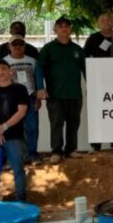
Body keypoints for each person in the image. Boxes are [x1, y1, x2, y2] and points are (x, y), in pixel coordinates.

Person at [38, 16, 86, 164]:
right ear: (55, 30)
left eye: (67, 26)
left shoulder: (77, 49)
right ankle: (56, 151)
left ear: (70, 29)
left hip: (74, 94)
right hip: (55, 95)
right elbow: (39, 68)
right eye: (60, 26)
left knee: (73, 123)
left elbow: (86, 70)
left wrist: (93, 86)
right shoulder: (48, 49)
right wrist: (40, 87)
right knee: (56, 123)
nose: (64, 28)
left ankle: (71, 149)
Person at [0, 58, 29, 201]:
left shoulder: (20, 89)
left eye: (3, 68)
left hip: (14, 136)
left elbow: (22, 111)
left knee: (18, 168)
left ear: (10, 71)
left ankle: (21, 197)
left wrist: (4, 127)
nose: (0, 72)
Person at [4, 34, 46, 163]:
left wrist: (38, 98)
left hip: (30, 98)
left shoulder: (33, 61)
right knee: (13, 129)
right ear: (9, 46)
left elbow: (38, 79)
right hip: (11, 100)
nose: (17, 46)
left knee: (32, 128)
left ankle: (32, 154)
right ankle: (14, 158)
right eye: (14, 44)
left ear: (25, 46)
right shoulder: (4, 62)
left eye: (20, 44)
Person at [84, 12, 113, 151]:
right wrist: (89, 78)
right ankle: (96, 145)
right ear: (98, 23)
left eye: (109, 19)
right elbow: (84, 58)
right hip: (98, 82)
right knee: (97, 112)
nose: (106, 22)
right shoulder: (93, 38)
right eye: (103, 20)